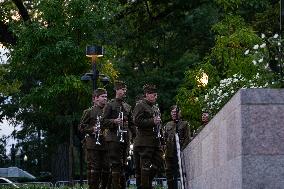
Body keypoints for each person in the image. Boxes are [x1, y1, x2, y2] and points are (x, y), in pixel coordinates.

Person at [102, 80, 136, 189]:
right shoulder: (109, 105)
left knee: (123, 165)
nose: (124, 91)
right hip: (113, 139)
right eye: (122, 89)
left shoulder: (127, 106)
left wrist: (136, 136)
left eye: (125, 89)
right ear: (117, 90)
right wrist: (114, 121)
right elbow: (103, 122)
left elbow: (132, 124)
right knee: (116, 165)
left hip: (125, 139)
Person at [133, 84, 165, 189]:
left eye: (156, 95)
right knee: (145, 166)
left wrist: (162, 139)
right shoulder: (140, 105)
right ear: (147, 94)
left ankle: (143, 184)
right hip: (144, 140)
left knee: (159, 161)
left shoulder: (155, 107)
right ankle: (146, 186)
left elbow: (158, 124)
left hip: (155, 140)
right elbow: (136, 121)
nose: (155, 97)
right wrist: (152, 121)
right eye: (153, 95)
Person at [78, 88, 109, 189]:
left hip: (106, 143)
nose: (105, 99)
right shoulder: (89, 111)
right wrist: (92, 129)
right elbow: (81, 127)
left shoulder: (109, 111)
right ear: (96, 98)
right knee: (95, 168)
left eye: (106, 97)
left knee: (107, 168)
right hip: (93, 144)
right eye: (103, 97)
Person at [164, 105, 190, 189]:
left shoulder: (184, 124)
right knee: (169, 173)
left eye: (176, 112)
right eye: (173, 112)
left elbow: (187, 138)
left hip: (179, 152)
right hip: (169, 152)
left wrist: (182, 150)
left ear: (180, 113)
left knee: (180, 172)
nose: (174, 114)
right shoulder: (168, 124)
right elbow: (164, 137)